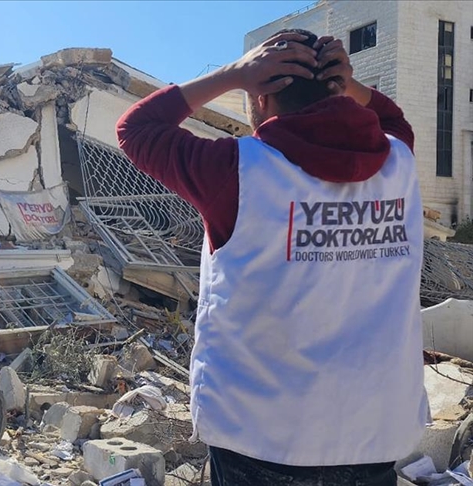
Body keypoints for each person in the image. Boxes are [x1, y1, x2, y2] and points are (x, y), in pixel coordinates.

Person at [116, 29, 427, 486]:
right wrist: (349, 86)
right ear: (338, 89)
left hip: (259, 436)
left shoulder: (236, 170)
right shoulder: (397, 161)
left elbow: (136, 129)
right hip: (375, 432)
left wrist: (231, 74)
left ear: (259, 97)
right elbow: (392, 118)